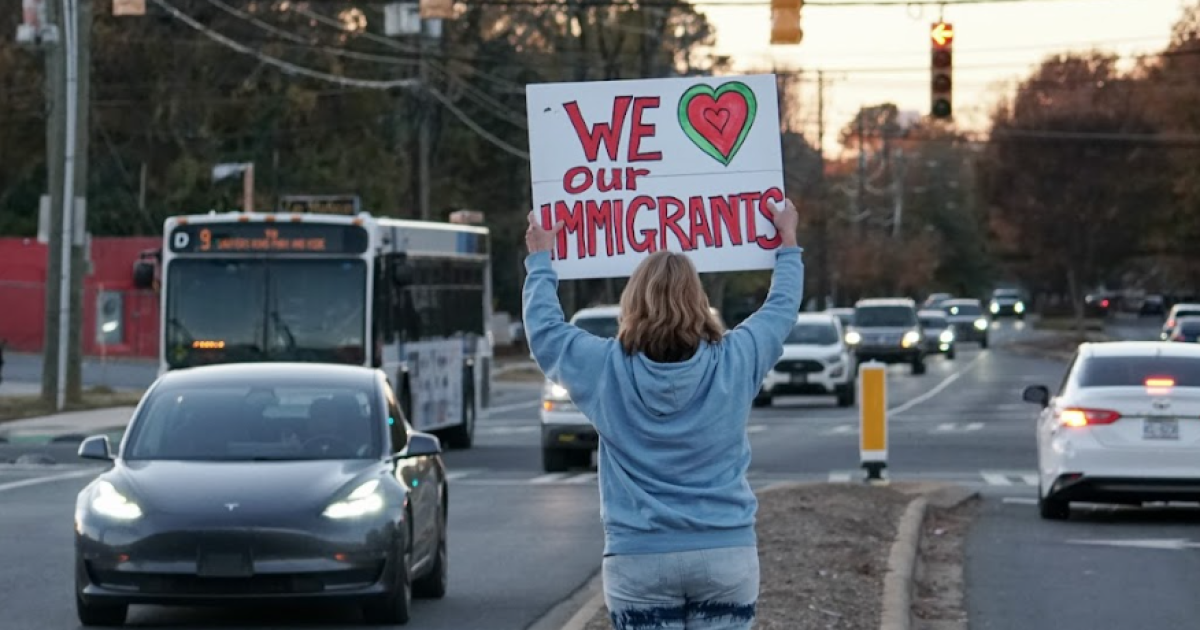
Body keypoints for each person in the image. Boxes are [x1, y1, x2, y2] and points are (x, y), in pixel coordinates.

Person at [522, 199, 803, 630]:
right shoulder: (737, 358)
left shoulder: (604, 368)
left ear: (632, 301)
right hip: (725, 551)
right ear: (699, 300)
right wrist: (787, 242)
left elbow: (545, 332)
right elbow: (780, 308)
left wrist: (540, 260)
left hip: (638, 556)